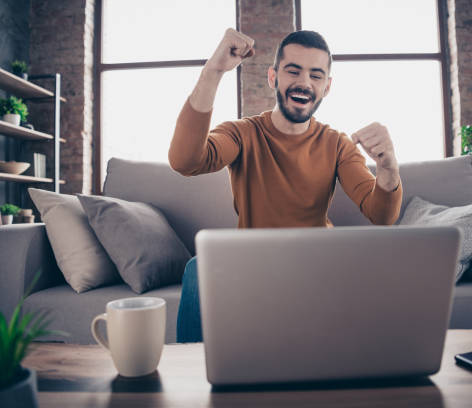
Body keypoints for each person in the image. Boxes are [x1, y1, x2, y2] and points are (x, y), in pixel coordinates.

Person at [169, 28, 402, 342]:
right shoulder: (242, 133)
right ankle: (192, 374)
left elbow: (382, 215)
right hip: (252, 266)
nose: (304, 83)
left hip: (320, 266)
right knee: (199, 267)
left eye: (316, 75)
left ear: (326, 87)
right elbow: (185, 161)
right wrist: (213, 71)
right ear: (273, 77)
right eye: (293, 71)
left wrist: (388, 167)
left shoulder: (336, 144)